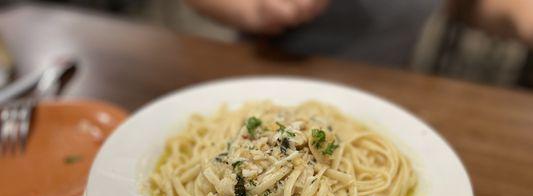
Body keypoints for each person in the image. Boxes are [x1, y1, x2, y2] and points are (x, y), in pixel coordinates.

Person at [184, 0, 533, 67]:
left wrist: (520, 16)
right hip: (274, 70)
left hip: (391, 84)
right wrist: (255, 8)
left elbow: (467, 5)